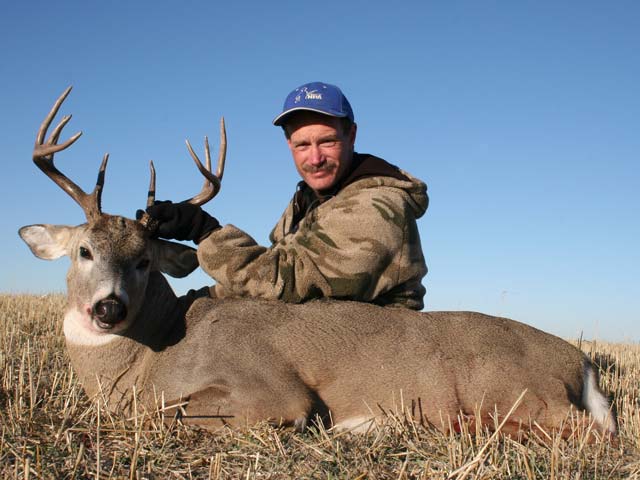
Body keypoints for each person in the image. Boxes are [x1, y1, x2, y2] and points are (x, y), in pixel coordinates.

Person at [142, 82, 429, 310]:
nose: (315, 158)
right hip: (323, 333)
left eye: (327, 141)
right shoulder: (307, 202)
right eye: (302, 144)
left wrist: (204, 232)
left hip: (376, 349)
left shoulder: (375, 206)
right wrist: (190, 305)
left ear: (351, 135)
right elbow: (265, 273)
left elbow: (285, 284)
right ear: (288, 144)